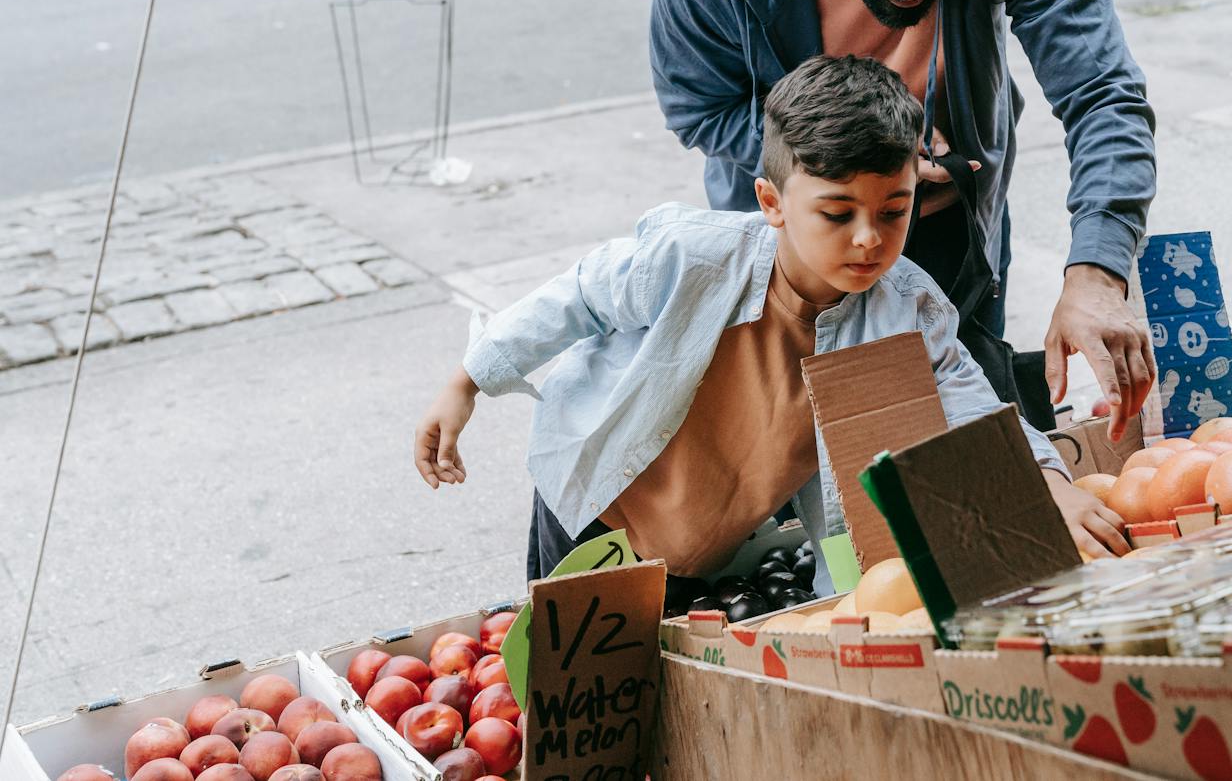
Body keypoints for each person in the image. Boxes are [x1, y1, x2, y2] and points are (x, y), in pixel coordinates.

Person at [414, 55, 1130, 589]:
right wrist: (467, 381)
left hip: (713, 540)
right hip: (593, 504)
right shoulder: (689, 257)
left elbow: (972, 402)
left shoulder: (905, 307)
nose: (868, 239)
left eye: (893, 210)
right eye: (836, 212)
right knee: (580, 688)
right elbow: (574, 297)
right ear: (771, 200)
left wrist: (1048, 482)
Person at [650, 0, 1157, 441]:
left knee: (972, 444)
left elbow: (1102, 92)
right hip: (802, 245)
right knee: (819, 456)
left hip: (956, 226)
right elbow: (699, 106)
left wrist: (1097, 272)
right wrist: (850, 164)